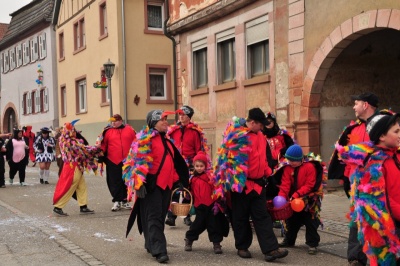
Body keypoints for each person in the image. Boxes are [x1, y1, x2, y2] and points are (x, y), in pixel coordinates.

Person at [213, 108, 289, 262]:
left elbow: (263, 159)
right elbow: (231, 163)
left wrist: (269, 174)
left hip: (259, 184)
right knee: (240, 217)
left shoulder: (261, 136)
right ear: (252, 122)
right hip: (242, 186)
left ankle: (271, 250)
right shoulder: (238, 136)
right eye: (260, 125)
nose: (262, 128)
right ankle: (242, 246)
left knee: (262, 217)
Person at [123, 109, 189, 264]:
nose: (166, 122)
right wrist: (138, 184)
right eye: (163, 120)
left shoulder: (167, 141)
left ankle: (150, 243)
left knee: (158, 217)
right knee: (153, 217)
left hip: (166, 186)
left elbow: (171, 164)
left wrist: (178, 181)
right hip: (151, 186)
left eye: (166, 119)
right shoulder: (145, 140)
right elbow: (133, 163)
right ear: (154, 122)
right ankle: (160, 250)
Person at [336, 112, 400, 265]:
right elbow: (381, 201)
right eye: (396, 131)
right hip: (388, 227)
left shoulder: (395, 156)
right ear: (382, 136)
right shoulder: (374, 163)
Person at [328, 92, 379, 266]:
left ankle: (376, 256)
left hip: (377, 184)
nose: (353, 107)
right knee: (356, 219)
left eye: (356, 103)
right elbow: (348, 157)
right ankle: (356, 257)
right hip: (357, 184)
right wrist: (348, 179)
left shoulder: (383, 124)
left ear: (365, 105)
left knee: (376, 221)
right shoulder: (354, 129)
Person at [166, 105, 210, 226]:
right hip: (176, 164)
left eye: (183, 114)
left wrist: (197, 165)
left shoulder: (195, 132)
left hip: (190, 164)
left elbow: (199, 150)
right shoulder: (173, 131)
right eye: (179, 114)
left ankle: (187, 215)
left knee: (187, 189)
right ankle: (171, 215)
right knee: (175, 188)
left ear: (189, 117)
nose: (181, 116)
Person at [276, 144, 323, 255]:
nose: (290, 162)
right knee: (291, 221)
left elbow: (309, 185)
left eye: (293, 160)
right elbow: (285, 185)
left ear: (301, 159)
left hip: (308, 199)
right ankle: (289, 241)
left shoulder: (309, 167)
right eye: (289, 160)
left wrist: (297, 194)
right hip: (294, 200)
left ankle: (312, 244)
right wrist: (281, 197)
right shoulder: (287, 168)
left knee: (310, 221)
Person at [52, 120, 103, 216]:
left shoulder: (63, 139)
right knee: (70, 187)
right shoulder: (70, 142)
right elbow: (83, 149)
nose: (75, 132)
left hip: (74, 166)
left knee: (81, 186)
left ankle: (83, 206)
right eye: (73, 130)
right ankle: (58, 207)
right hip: (73, 167)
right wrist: (97, 147)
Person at [184, 151, 229, 254]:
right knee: (197, 224)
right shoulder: (192, 179)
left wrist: (219, 199)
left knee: (214, 225)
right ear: (194, 166)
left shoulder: (210, 177)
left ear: (205, 166)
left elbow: (216, 188)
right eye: (197, 166)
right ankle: (189, 239)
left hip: (211, 205)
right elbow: (190, 192)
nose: (199, 168)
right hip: (199, 205)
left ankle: (216, 243)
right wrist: (187, 195)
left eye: (201, 166)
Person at [98, 114, 136, 211]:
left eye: (115, 121)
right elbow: (103, 145)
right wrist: (100, 154)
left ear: (121, 121)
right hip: (112, 160)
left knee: (126, 181)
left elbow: (136, 142)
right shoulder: (107, 131)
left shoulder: (130, 130)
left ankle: (125, 201)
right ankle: (117, 200)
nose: (113, 123)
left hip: (127, 161)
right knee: (114, 181)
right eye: (112, 121)